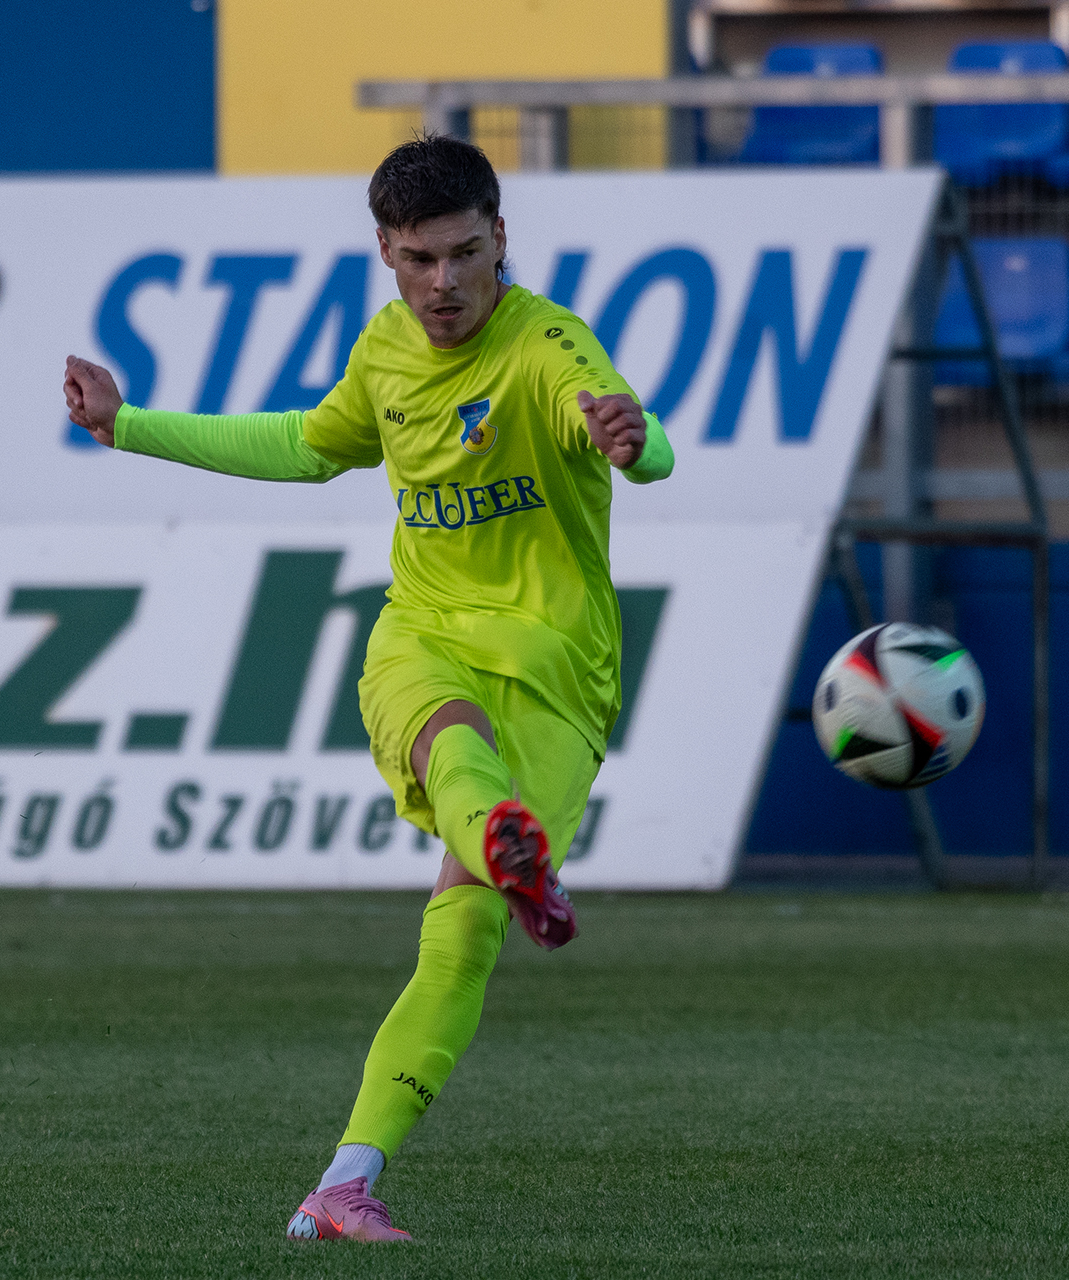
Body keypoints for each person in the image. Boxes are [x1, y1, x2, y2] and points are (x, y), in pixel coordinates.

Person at [62, 134, 674, 1243]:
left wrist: (633, 441)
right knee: (449, 734)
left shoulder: (548, 344)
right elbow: (305, 444)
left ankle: (343, 1184)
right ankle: (504, 842)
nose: (443, 284)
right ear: (386, 251)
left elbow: (632, 426)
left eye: (465, 254)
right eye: (419, 259)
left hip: (556, 670)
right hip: (422, 639)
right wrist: (127, 426)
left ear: (501, 239)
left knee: (463, 939)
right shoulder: (385, 352)